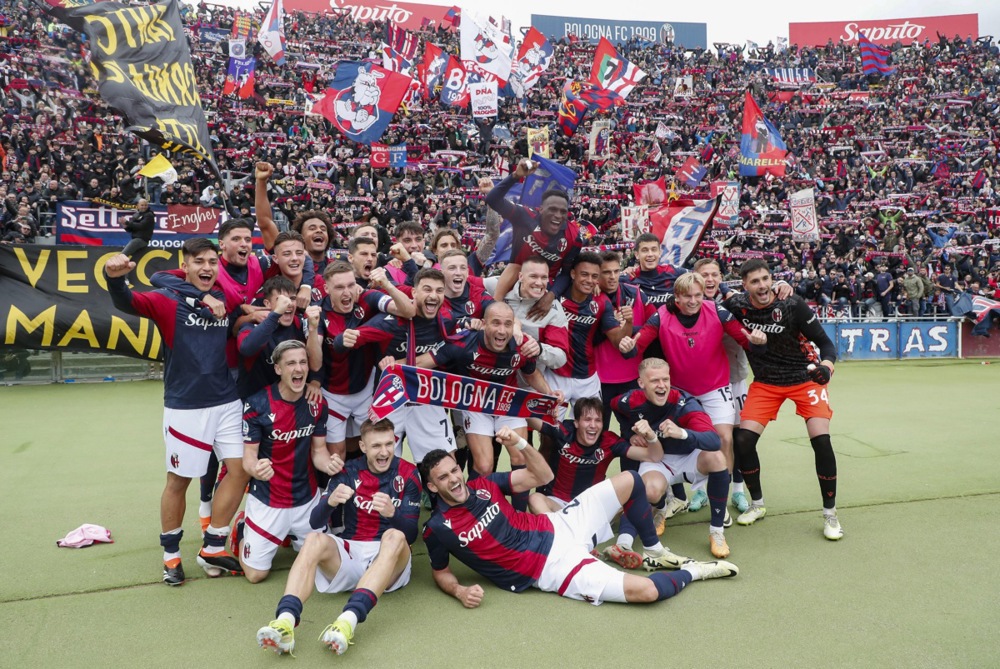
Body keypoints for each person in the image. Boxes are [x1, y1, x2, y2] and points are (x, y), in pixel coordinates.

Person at [420, 439, 738, 608]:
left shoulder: (485, 485)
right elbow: (441, 571)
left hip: (559, 524)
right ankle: (695, 571)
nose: (454, 479)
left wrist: (521, 444)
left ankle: (655, 551)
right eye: (443, 477)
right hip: (551, 567)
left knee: (631, 480)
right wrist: (460, 592)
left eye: (454, 471)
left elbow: (543, 477)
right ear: (433, 487)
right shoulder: (437, 528)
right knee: (647, 592)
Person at [104, 240, 249, 585]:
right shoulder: (166, 299)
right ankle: (171, 556)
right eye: (198, 262)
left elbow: (241, 306)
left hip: (227, 402)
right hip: (186, 408)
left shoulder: (225, 296)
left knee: (241, 471)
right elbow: (131, 298)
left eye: (213, 261)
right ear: (184, 267)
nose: (207, 268)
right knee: (178, 482)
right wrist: (113, 279)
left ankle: (213, 544)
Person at [256, 419, 421, 656]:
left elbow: (411, 535)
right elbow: (315, 522)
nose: (384, 452)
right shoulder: (348, 471)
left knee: (395, 536)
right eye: (376, 446)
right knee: (313, 539)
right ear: (363, 446)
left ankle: (347, 622)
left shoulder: (409, 473)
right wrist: (331, 502)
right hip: (351, 554)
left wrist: (392, 514)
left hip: (391, 561)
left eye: (389, 444)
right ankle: (285, 622)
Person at [618, 272, 766, 520]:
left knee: (723, 439)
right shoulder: (662, 315)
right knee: (677, 442)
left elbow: (745, 339)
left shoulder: (716, 310)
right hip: (679, 393)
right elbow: (638, 345)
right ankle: (689, 494)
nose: (694, 300)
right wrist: (628, 347)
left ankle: (722, 494)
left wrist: (757, 340)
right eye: (687, 296)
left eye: (698, 295)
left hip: (715, 388)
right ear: (677, 297)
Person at [723, 259, 843, 540]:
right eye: (755, 281)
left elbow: (826, 344)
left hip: (805, 378)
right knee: (743, 441)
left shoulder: (792, 304)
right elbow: (710, 300)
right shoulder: (737, 306)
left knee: (822, 442)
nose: (762, 286)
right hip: (766, 383)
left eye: (766, 279)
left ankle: (830, 514)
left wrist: (827, 367)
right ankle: (757, 504)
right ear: (745, 285)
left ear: (772, 279)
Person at [415, 302, 552, 505]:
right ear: (484, 324)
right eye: (495, 323)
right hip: (476, 406)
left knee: (520, 458)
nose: (502, 330)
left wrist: (550, 395)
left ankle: (519, 517)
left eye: (507, 324)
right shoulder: (462, 344)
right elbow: (420, 363)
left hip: (508, 403)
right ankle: (470, 510)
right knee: (485, 465)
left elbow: (530, 374)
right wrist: (390, 365)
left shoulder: (522, 346)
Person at [237, 340, 338, 582]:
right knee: (255, 575)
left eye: (303, 362)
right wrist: (257, 470)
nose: (299, 368)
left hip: (307, 499)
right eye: (291, 363)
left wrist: (330, 464)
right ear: (278, 369)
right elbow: (248, 459)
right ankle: (242, 529)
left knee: (327, 567)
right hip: (269, 500)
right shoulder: (257, 404)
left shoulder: (317, 403)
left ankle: (293, 535)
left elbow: (319, 451)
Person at [611, 358, 734, 558]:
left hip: (689, 457)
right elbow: (615, 406)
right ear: (641, 384)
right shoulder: (630, 400)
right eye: (655, 381)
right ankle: (660, 508)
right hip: (658, 460)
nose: (662, 386)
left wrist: (682, 433)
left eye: (665, 380)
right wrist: (629, 433)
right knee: (650, 491)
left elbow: (713, 441)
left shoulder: (684, 403)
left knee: (718, 459)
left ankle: (716, 532)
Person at [522, 397, 664, 568]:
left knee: (635, 496)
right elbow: (528, 417)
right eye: (587, 419)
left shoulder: (609, 441)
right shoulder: (563, 431)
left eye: (598, 420)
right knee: (535, 498)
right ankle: (570, 542)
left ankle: (622, 544)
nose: (593, 425)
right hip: (559, 506)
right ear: (576, 422)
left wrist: (651, 436)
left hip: (592, 507)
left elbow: (654, 456)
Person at [307, 261, 414, 460]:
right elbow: (314, 364)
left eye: (350, 285)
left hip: (366, 390)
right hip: (333, 395)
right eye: (339, 287)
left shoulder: (368, 297)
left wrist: (388, 285)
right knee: (337, 454)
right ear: (326, 288)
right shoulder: (319, 311)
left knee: (373, 448)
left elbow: (408, 311)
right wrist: (312, 329)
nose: (347, 292)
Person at [485, 158, 584, 316]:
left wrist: (551, 296)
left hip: (544, 288)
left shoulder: (574, 237)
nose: (558, 215)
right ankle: (495, 307)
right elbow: (492, 199)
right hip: (514, 278)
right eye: (552, 209)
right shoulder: (526, 216)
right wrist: (516, 176)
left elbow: (566, 274)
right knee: (513, 268)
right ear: (541, 209)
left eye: (563, 211)